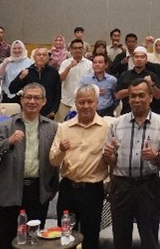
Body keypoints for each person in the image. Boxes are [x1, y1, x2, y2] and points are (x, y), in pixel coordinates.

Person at [0, 82, 60, 249]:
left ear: (44, 101)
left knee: (34, 241)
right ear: (21, 100)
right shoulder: (6, 126)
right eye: (28, 97)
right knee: (8, 240)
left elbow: (55, 159)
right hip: (10, 191)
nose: (32, 101)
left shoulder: (52, 127)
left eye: (37, 98)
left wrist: (51, 189)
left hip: (38, 192)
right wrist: (8, 142)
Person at [103, 79, 160, 249]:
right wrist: (109, 156)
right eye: (132, 96)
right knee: (121, 239)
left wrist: (156, 156)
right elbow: (111, 161)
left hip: (148, 186)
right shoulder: (116, 124)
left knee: (149, 239)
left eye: (141, 95)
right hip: (121, 186)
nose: (136, 100)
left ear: (150, 97)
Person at [49, 85, 111, 249]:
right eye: (81, 102)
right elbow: (53, 161)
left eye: (90, 101)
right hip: (68, 189)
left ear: (97, 102)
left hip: (93, 191)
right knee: (65, 238)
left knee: (91, 237)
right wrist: (61, 150)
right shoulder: (64, 127)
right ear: (75, 104)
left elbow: (113, 160)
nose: (85, 106)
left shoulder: (107, 128)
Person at [9, 47, 62, 119]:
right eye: (39, 54)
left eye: (44, 55)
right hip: (29, 111)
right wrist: (20, 78)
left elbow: (57, 93)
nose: (41, 57)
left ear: (48, 58)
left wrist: (54, 110)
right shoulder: (27, 71)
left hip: (48, 113)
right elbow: (12, 90)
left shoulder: (54, 72)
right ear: (34, 57)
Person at [115, 46, 160, 113]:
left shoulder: (152, 75)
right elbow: (117, 95)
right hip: (127, 112)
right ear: (133, 59)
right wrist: (132, 90)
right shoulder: (125, 75)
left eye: (142, 57)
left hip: (147, 114)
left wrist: (151, 84)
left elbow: (158, 96)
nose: (139, 59)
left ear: (146, 60)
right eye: (136, 57)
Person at [57, 38, 93, 120]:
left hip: (83, 102)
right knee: (63, 125)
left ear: (83, 49)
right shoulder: (65, 63)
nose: (78, 50)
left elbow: (92, 82)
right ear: (71, 50)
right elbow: (60, 79)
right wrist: (69, 67)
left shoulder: (89, 64)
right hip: (66, 101)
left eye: (80, 48)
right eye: (75, 48)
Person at [83, 50, 119, 117]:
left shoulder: (112, 80)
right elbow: (81, 96)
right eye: (94, 62)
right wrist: (94, 92)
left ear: (106, 65)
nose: (97, 65)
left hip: (106, 112)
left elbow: (116, 97)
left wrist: (111, 109)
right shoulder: (85, 79)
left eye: (100, 62)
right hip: (89, 111)